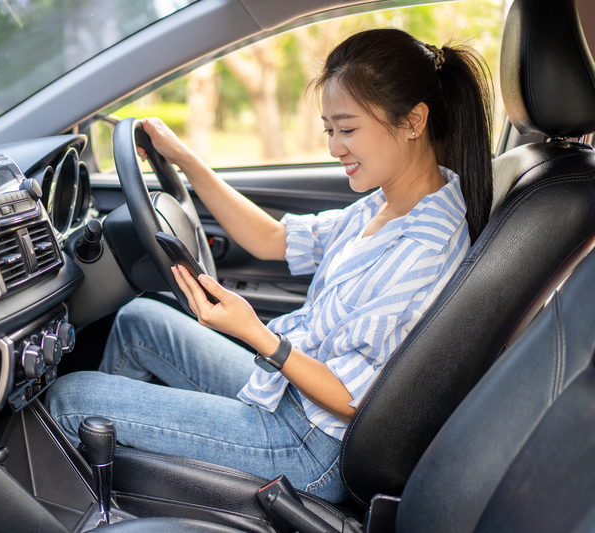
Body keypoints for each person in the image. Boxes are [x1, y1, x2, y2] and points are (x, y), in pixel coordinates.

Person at [46, 28, 493, 503]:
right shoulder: (384, 203)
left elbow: (356, 401)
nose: (334, 147)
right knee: (139, 323)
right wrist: (185, 158)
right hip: (287, 393)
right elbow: (272, 239)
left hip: (311, 446)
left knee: (70, 399)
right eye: (329, 130)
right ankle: (120, 483)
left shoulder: (425, 247)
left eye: (347, 129)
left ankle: (87, 501)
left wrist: (256, 333)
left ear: (413, 121)